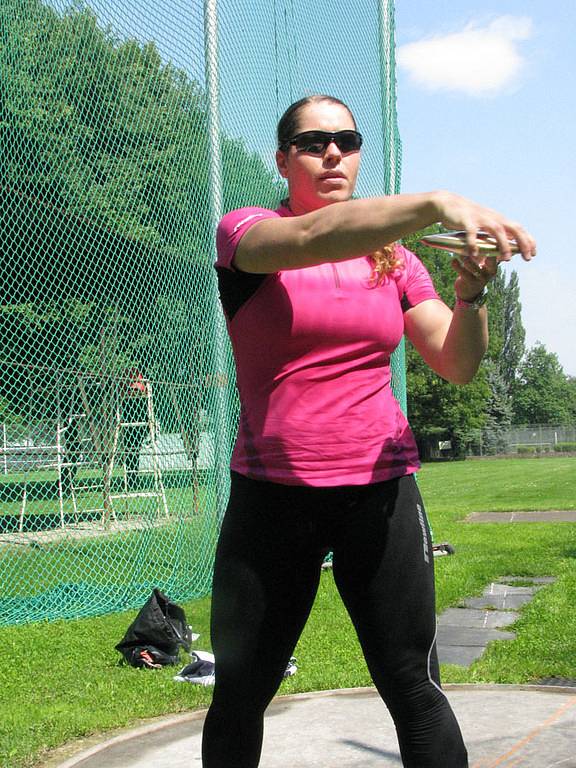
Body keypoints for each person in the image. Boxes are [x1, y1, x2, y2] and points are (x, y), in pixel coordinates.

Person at [201, 94, 536, 768]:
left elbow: (457, 362)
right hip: (274, 497)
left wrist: (470, 294)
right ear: (282, 159)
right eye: (312, 141)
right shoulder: (247, 231)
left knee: (415, 687)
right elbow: (309, 239)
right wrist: (439, 201)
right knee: (241, 692)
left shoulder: (393, 258)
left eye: (347, 140)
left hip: (380, 496)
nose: (332, 152)